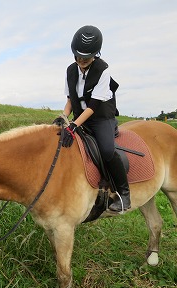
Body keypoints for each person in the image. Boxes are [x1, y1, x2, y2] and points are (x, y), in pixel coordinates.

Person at [53, 25, 130, 212]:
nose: (81, 59)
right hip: (80, 117)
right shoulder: (71, 70)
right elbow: (71, 99)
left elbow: (94, 106)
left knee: (106, 149)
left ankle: (124, 194)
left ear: (96, 53)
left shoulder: (103, 70)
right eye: (78, 55)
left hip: (100, 117)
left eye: (86, 57)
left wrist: (73, 126)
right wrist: (64, 117)